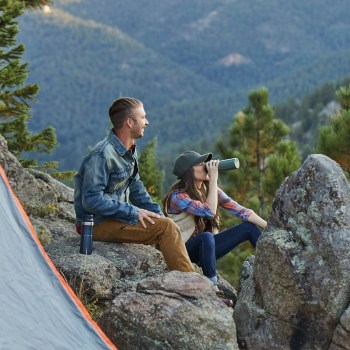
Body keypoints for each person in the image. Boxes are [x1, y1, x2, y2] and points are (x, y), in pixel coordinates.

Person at [74, 97, 194, 273]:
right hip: (96, 224)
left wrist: (158, 215)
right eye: (143, 117)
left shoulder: (129, 150)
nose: (147, 122)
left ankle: (179, 272)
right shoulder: (101, 155)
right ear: (130, 122)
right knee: (166, 229)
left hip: (115, 217)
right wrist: (134, 212)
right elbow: (91, 200)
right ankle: (189, 282)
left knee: (166, 224)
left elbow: (136, 187)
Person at [162, 151, 267, 306]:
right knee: (206, 236)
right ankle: (213, 288)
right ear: (189, 171)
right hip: (183, 251)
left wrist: (270, 226)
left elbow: (241, 211)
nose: (206, 166)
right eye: (201, 164)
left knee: (248, 228)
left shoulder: (209, 190)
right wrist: (214, 179)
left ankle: (270, 263)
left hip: (206, 248)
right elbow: (208, 211)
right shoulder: (178, 196)